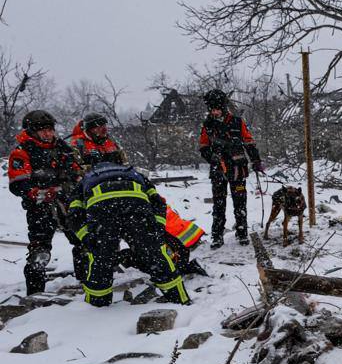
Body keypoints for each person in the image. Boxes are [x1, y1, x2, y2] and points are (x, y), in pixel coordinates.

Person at [67, 162, 190, 307]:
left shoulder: (85, 180)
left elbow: (74, 214)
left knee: (101, 259)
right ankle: (179, 300)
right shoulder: (136, 174)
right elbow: (158, 202)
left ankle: (97, 307)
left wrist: (87, 237)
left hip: (103, 213)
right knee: (154, 254)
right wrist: (157, 228)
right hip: (136, 209)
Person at [7, 110, 85, 295]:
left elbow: (77, 171)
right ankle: (35, 296)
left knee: (83, 242)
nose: (48, 134)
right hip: (40, 207)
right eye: (44, 131)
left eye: (50, 130)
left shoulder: (62, 148)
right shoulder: (22, 152)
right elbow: (17, 183)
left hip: (67, 203)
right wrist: (35, 192)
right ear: (32, 131)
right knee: (39, 253)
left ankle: (87, 283)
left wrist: (76, 181)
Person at [198, 89, 264, 249]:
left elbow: (249, 142)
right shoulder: (207, 125)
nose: (214, 112)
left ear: (223, 107)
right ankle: (217, 235)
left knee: (240, 202)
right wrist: (210, 156)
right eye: (211, 109)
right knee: (219, 205)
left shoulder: (236, 122)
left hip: (237, 168)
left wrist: (256, 160)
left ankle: (242, 232)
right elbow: (203, 146)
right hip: (218, 170)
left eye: (217, 109)